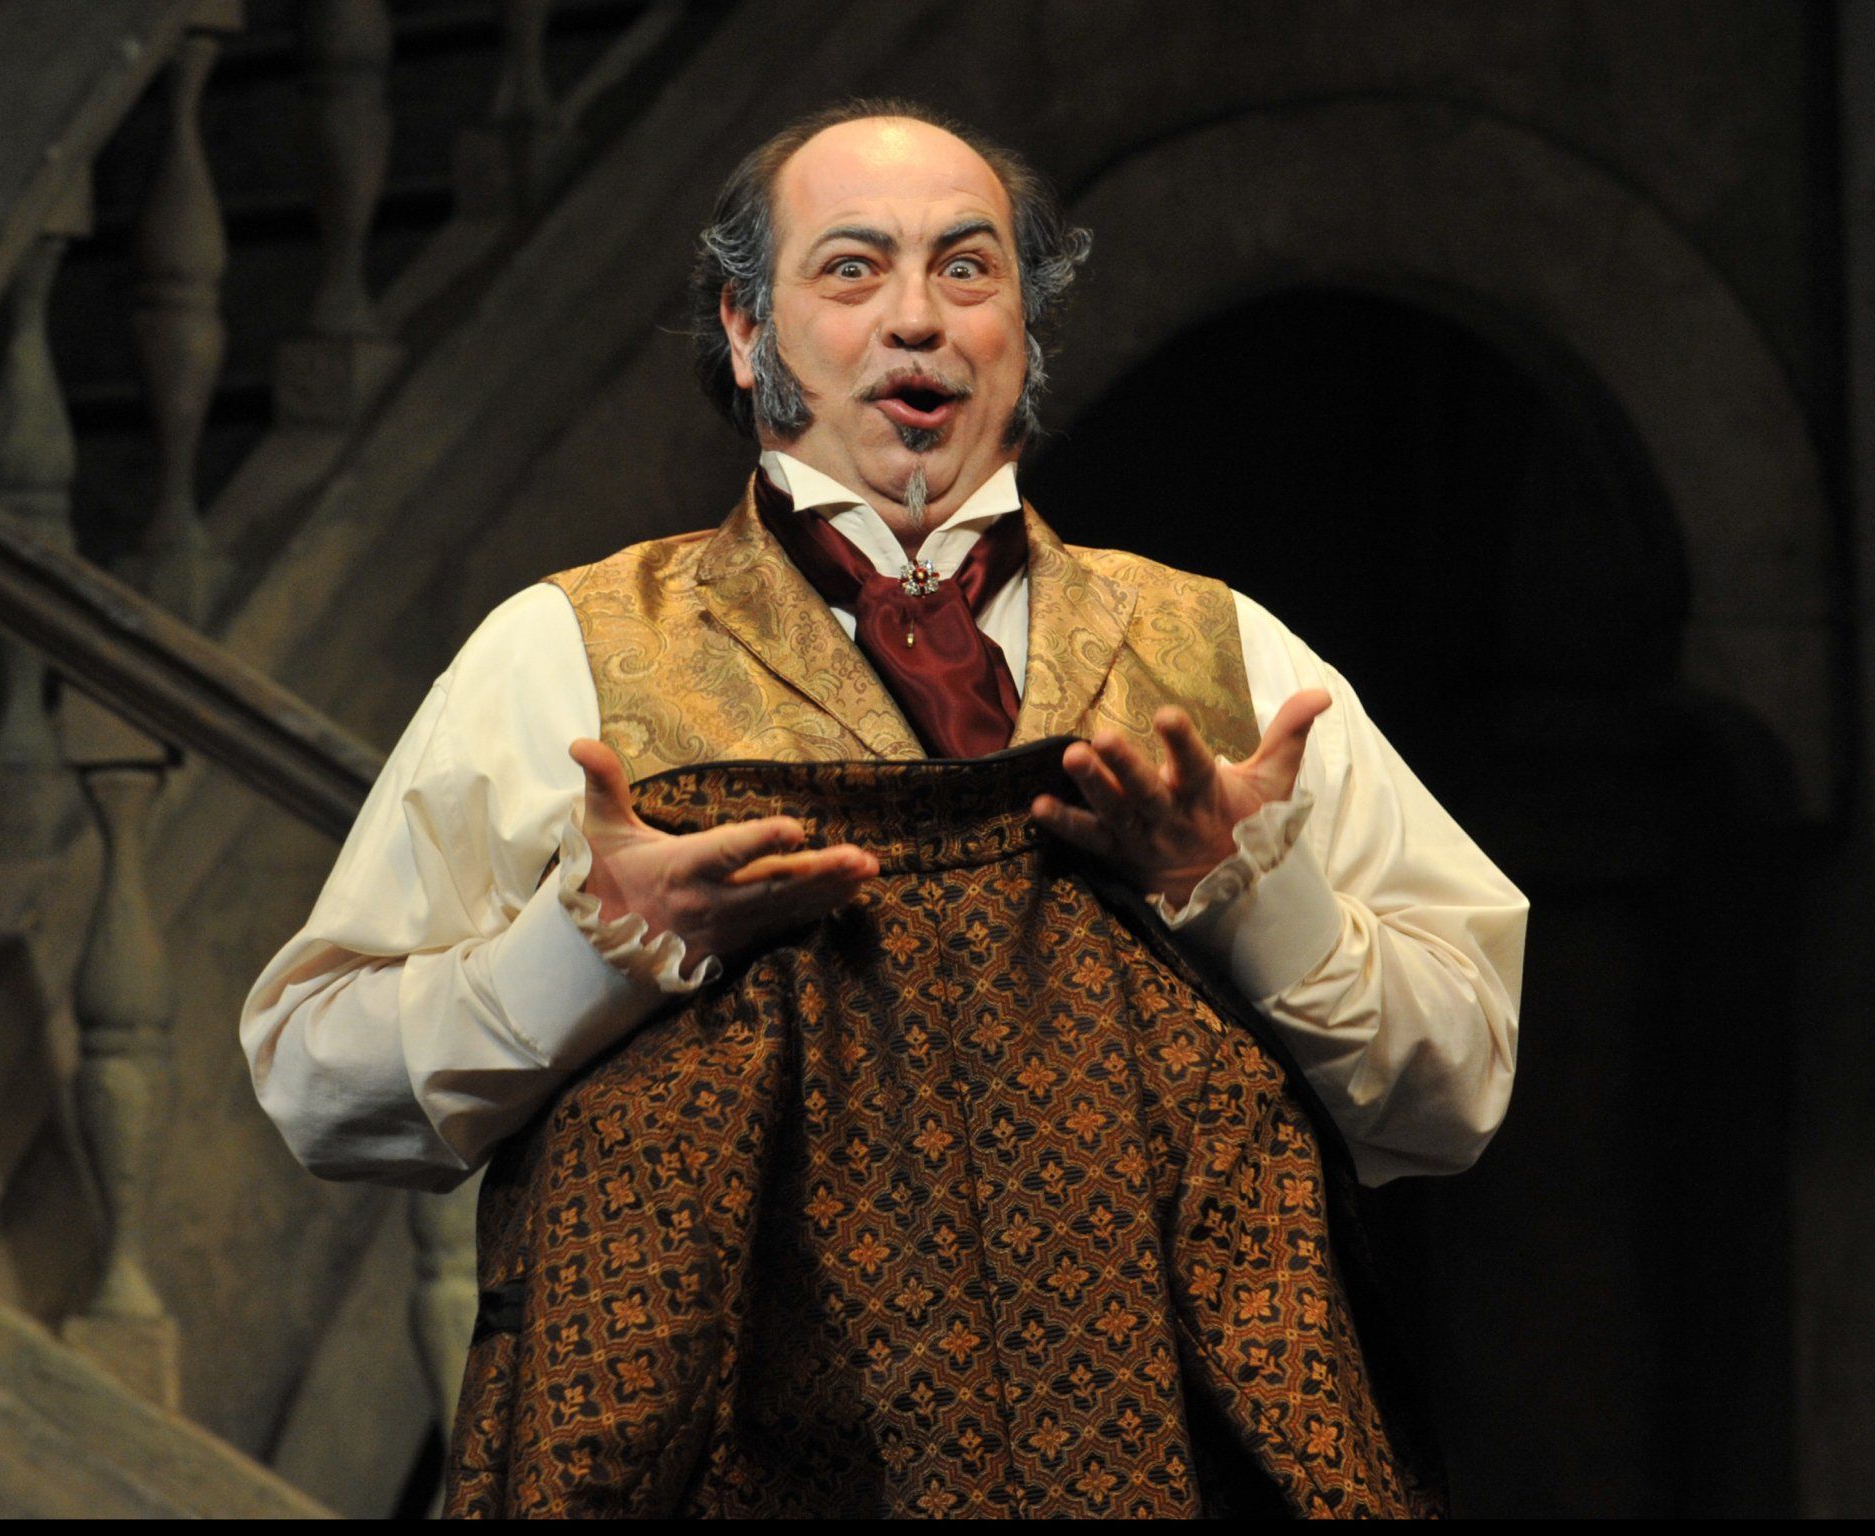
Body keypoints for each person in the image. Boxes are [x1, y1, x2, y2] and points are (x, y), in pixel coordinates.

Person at [242, 100, 1526, 1516]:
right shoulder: (570, 655)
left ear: (1025, 330)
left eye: (966, 270)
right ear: (748, 332)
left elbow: (1459, 1083)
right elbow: (316, 1077)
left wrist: (1249, 892)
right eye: (851, 269)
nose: (917, 318)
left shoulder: (1223, 658)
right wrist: (583, 946)